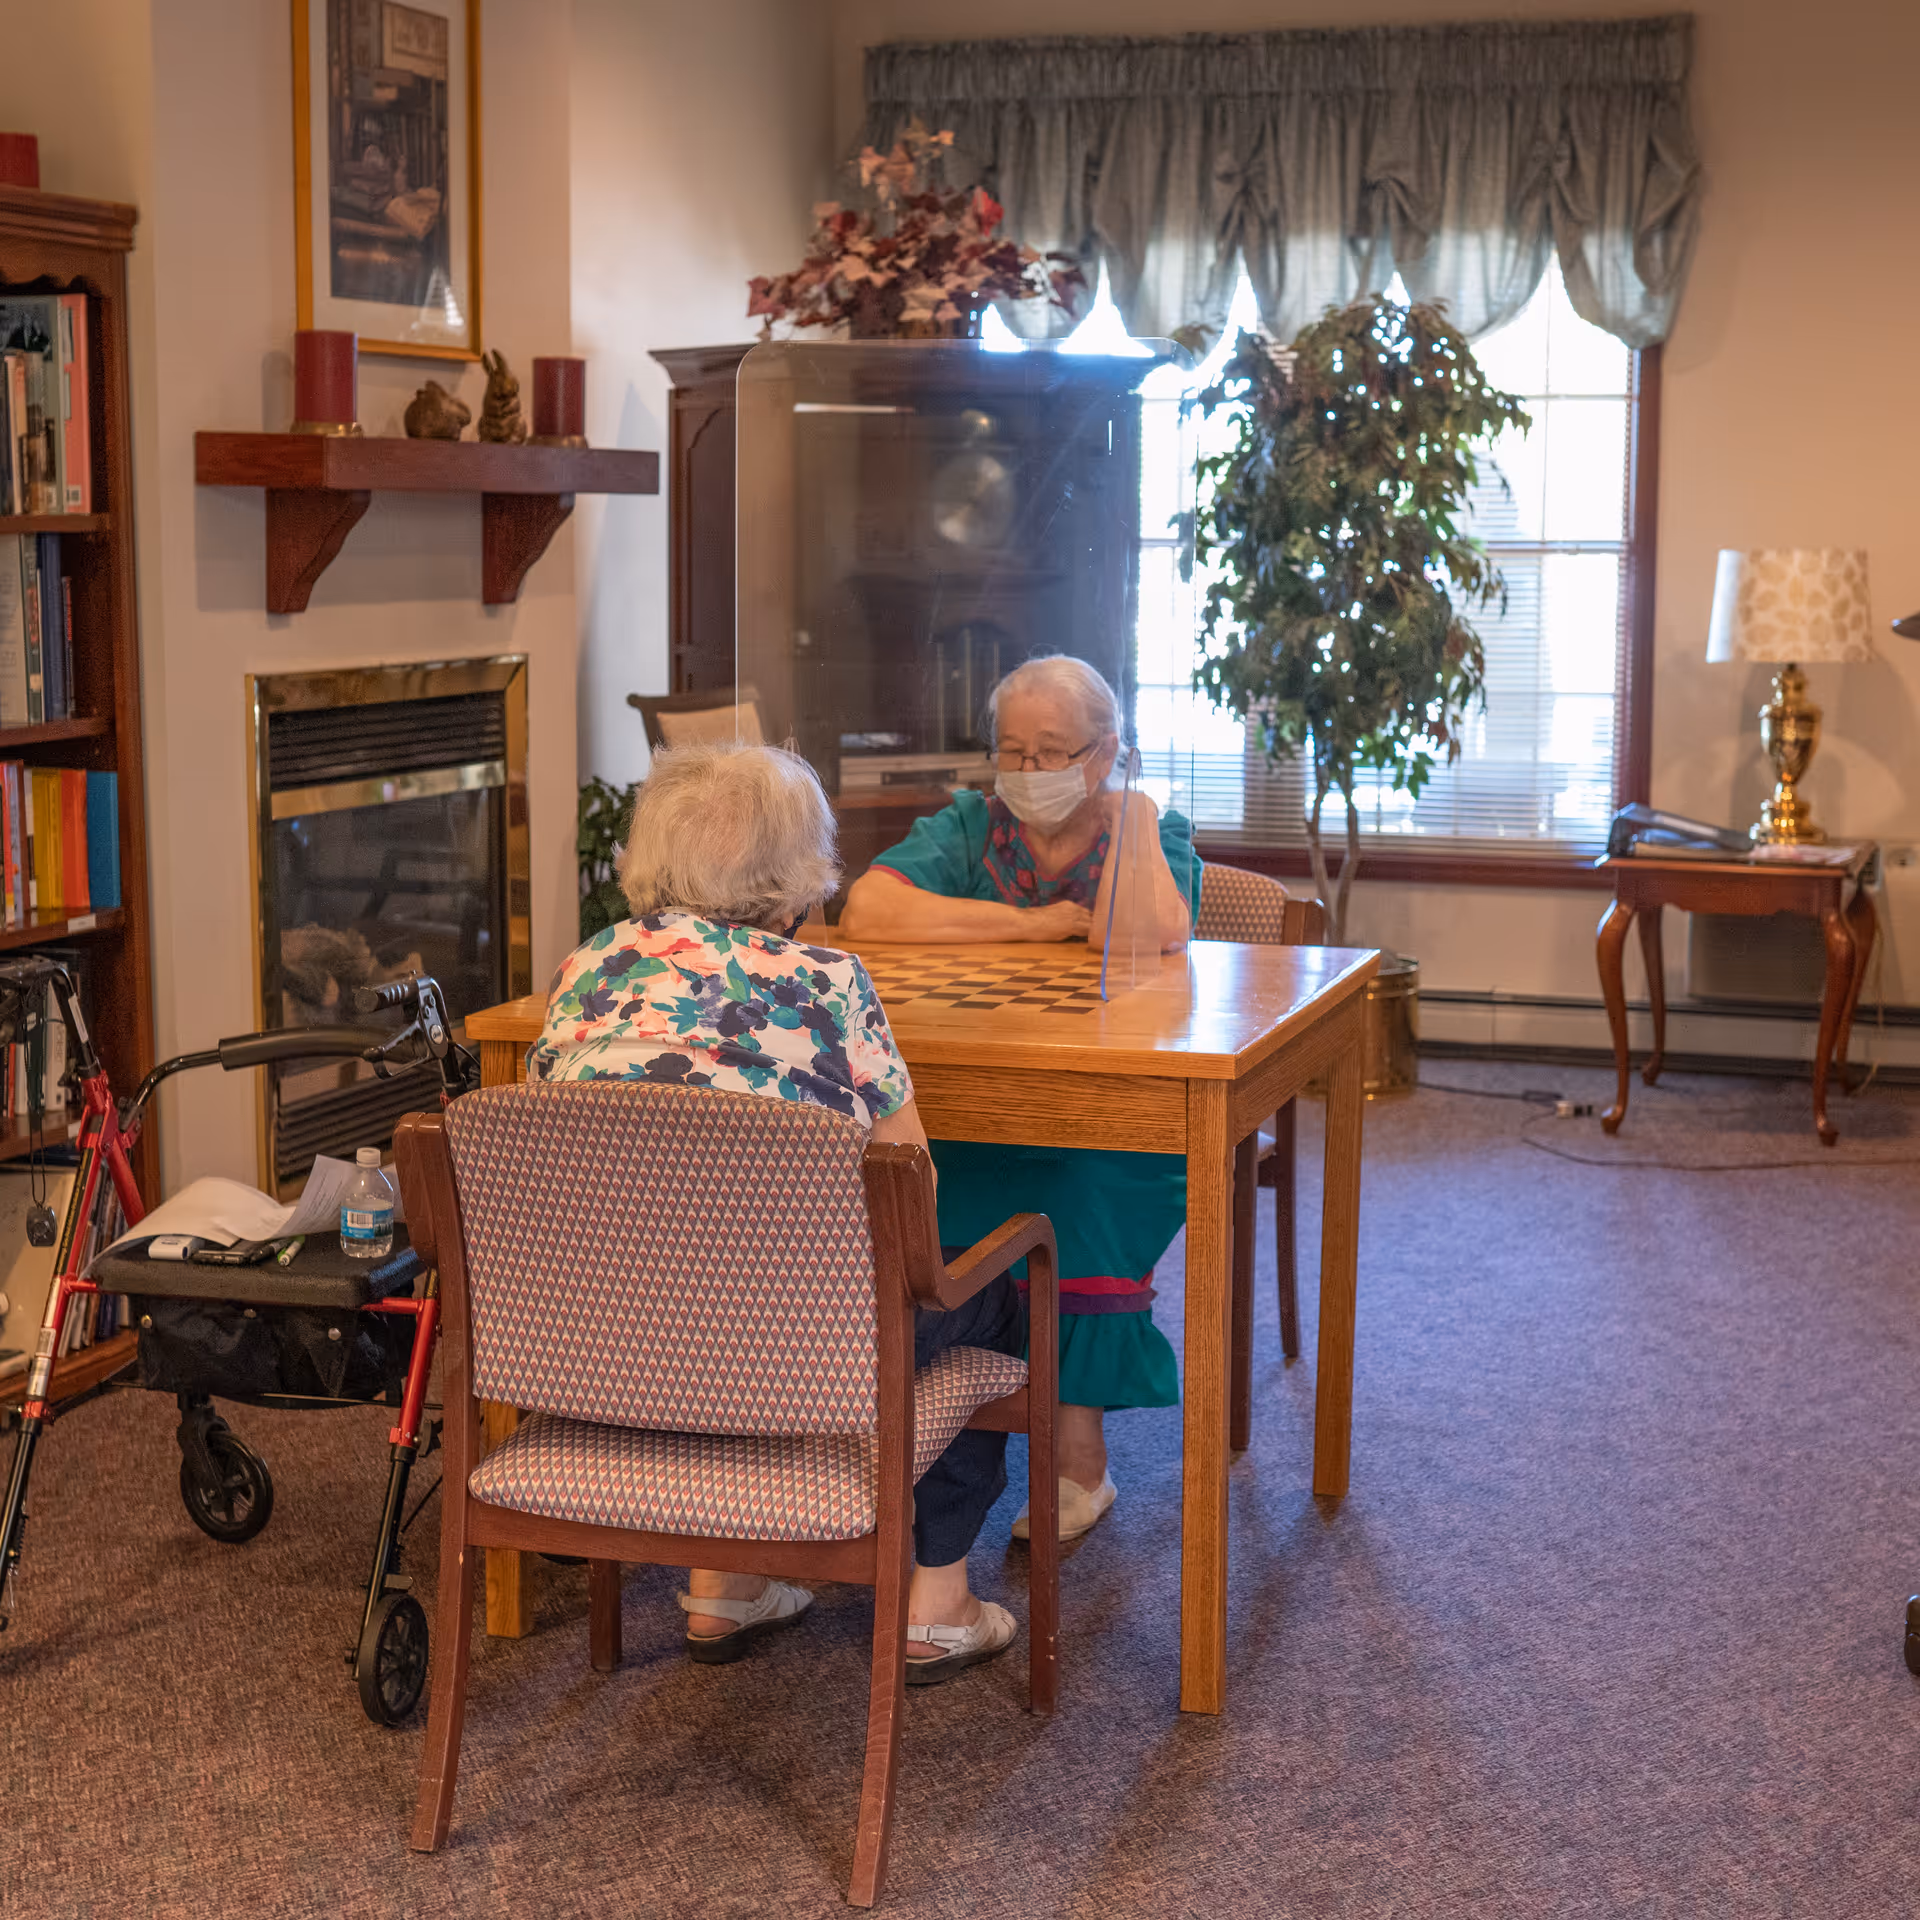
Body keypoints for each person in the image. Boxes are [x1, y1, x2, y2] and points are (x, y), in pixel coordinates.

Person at [528, 740, 1021, 1683]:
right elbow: (910, 1189)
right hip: (794, 1350)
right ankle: (937, 1600)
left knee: (685, 1256)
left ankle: (724, 1582)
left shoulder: (581, 976)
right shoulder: (828, 985)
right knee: (993, 1298)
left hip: (601, 1337)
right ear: (798, 879)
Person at [837, 655, 1202, 1541]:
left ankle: (1078, 1458)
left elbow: (1151, 935)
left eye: (1052, 752)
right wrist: (1034, 925)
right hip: (982, 1099)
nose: (1029, 774)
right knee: (916, 1173)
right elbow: (869, 914)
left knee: (1080, 1186)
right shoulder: (971, 827)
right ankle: (930, 1442)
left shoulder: (1152, 826)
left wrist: (1136, 814)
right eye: (1012, 752)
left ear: (1105, 751)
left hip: (1116, 1103)